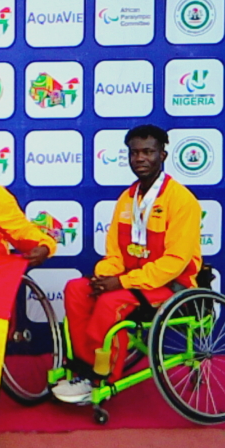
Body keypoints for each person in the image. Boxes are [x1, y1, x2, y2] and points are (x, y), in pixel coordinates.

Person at [53, 124, 202, 404]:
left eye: (148, 152)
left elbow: (174, 263)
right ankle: (86, 369)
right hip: (131, 280)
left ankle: (103, 377)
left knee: (111, 303)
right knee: (77, 289)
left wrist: (119, 282)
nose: (140, 159)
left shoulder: (182, 201)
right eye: (134, 153)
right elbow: (115, 255)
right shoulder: (127, 199)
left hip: (170, 285)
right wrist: (103, 277)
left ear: (163, 155)